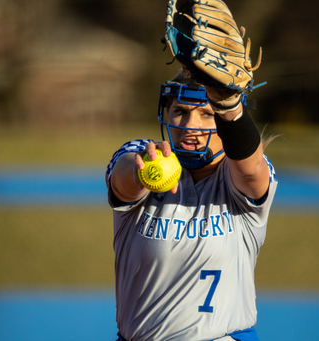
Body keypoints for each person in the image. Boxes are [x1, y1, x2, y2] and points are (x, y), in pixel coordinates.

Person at [105, 68, 278, 340]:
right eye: (180, 111)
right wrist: (142, 172)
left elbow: (251, 171)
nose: (189, 126)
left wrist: (230, 107)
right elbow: (121, 180)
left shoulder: (238, 176)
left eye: (206, 114)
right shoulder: (145, 153)